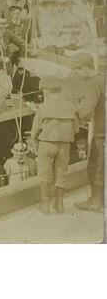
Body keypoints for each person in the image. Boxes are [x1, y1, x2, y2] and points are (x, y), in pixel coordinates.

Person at [31, 76, 79, 214]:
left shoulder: (43, 108)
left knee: (45, 174)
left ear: (45, 92)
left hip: (46, 145)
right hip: (64, 146)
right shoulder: (70, 106)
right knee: (61, 173)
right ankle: (60, 204)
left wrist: (36, 148)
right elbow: (76, 129)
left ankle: (45, 205)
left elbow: (34, 132)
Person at [69, 52, 105, 213]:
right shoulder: (102, 78)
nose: (76, 74)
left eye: (77, 71)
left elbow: (86, 111)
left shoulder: (94, 83)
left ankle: (96, 202)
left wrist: (72, 108)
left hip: (101, 132)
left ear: (84, 68)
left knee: (96, 165)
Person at [0, 17, 28, 115]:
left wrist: (28, 48)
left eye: (3, 28)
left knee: (8, 87)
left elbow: (18, 41)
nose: (2, 30)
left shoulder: (7, 34)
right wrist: (1, 59)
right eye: (0, 28)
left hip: (5, 68)